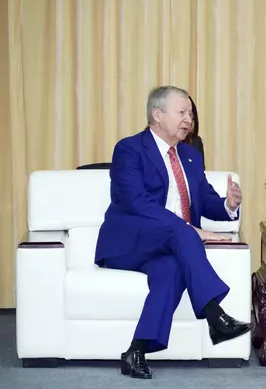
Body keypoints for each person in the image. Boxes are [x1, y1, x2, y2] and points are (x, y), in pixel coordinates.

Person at [94, 85, 252, 379]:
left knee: (171, 271)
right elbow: (136, 202)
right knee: (184, 235)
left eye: (190, 113)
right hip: (130, 241)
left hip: (168, 248)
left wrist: (229, 205)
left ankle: (135, 351)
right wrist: (188, 230)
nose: (188, 119)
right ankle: (215, 315)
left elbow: (204, 201)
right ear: (157, 114)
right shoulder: (129, 149)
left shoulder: (191, 156)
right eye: (181, 112)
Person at [183, 95, 206, 168]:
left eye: (190, 115)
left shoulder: (195, 143)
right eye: (181, 113)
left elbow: (200, 177)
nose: (189, 120)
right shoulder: (148, 144)